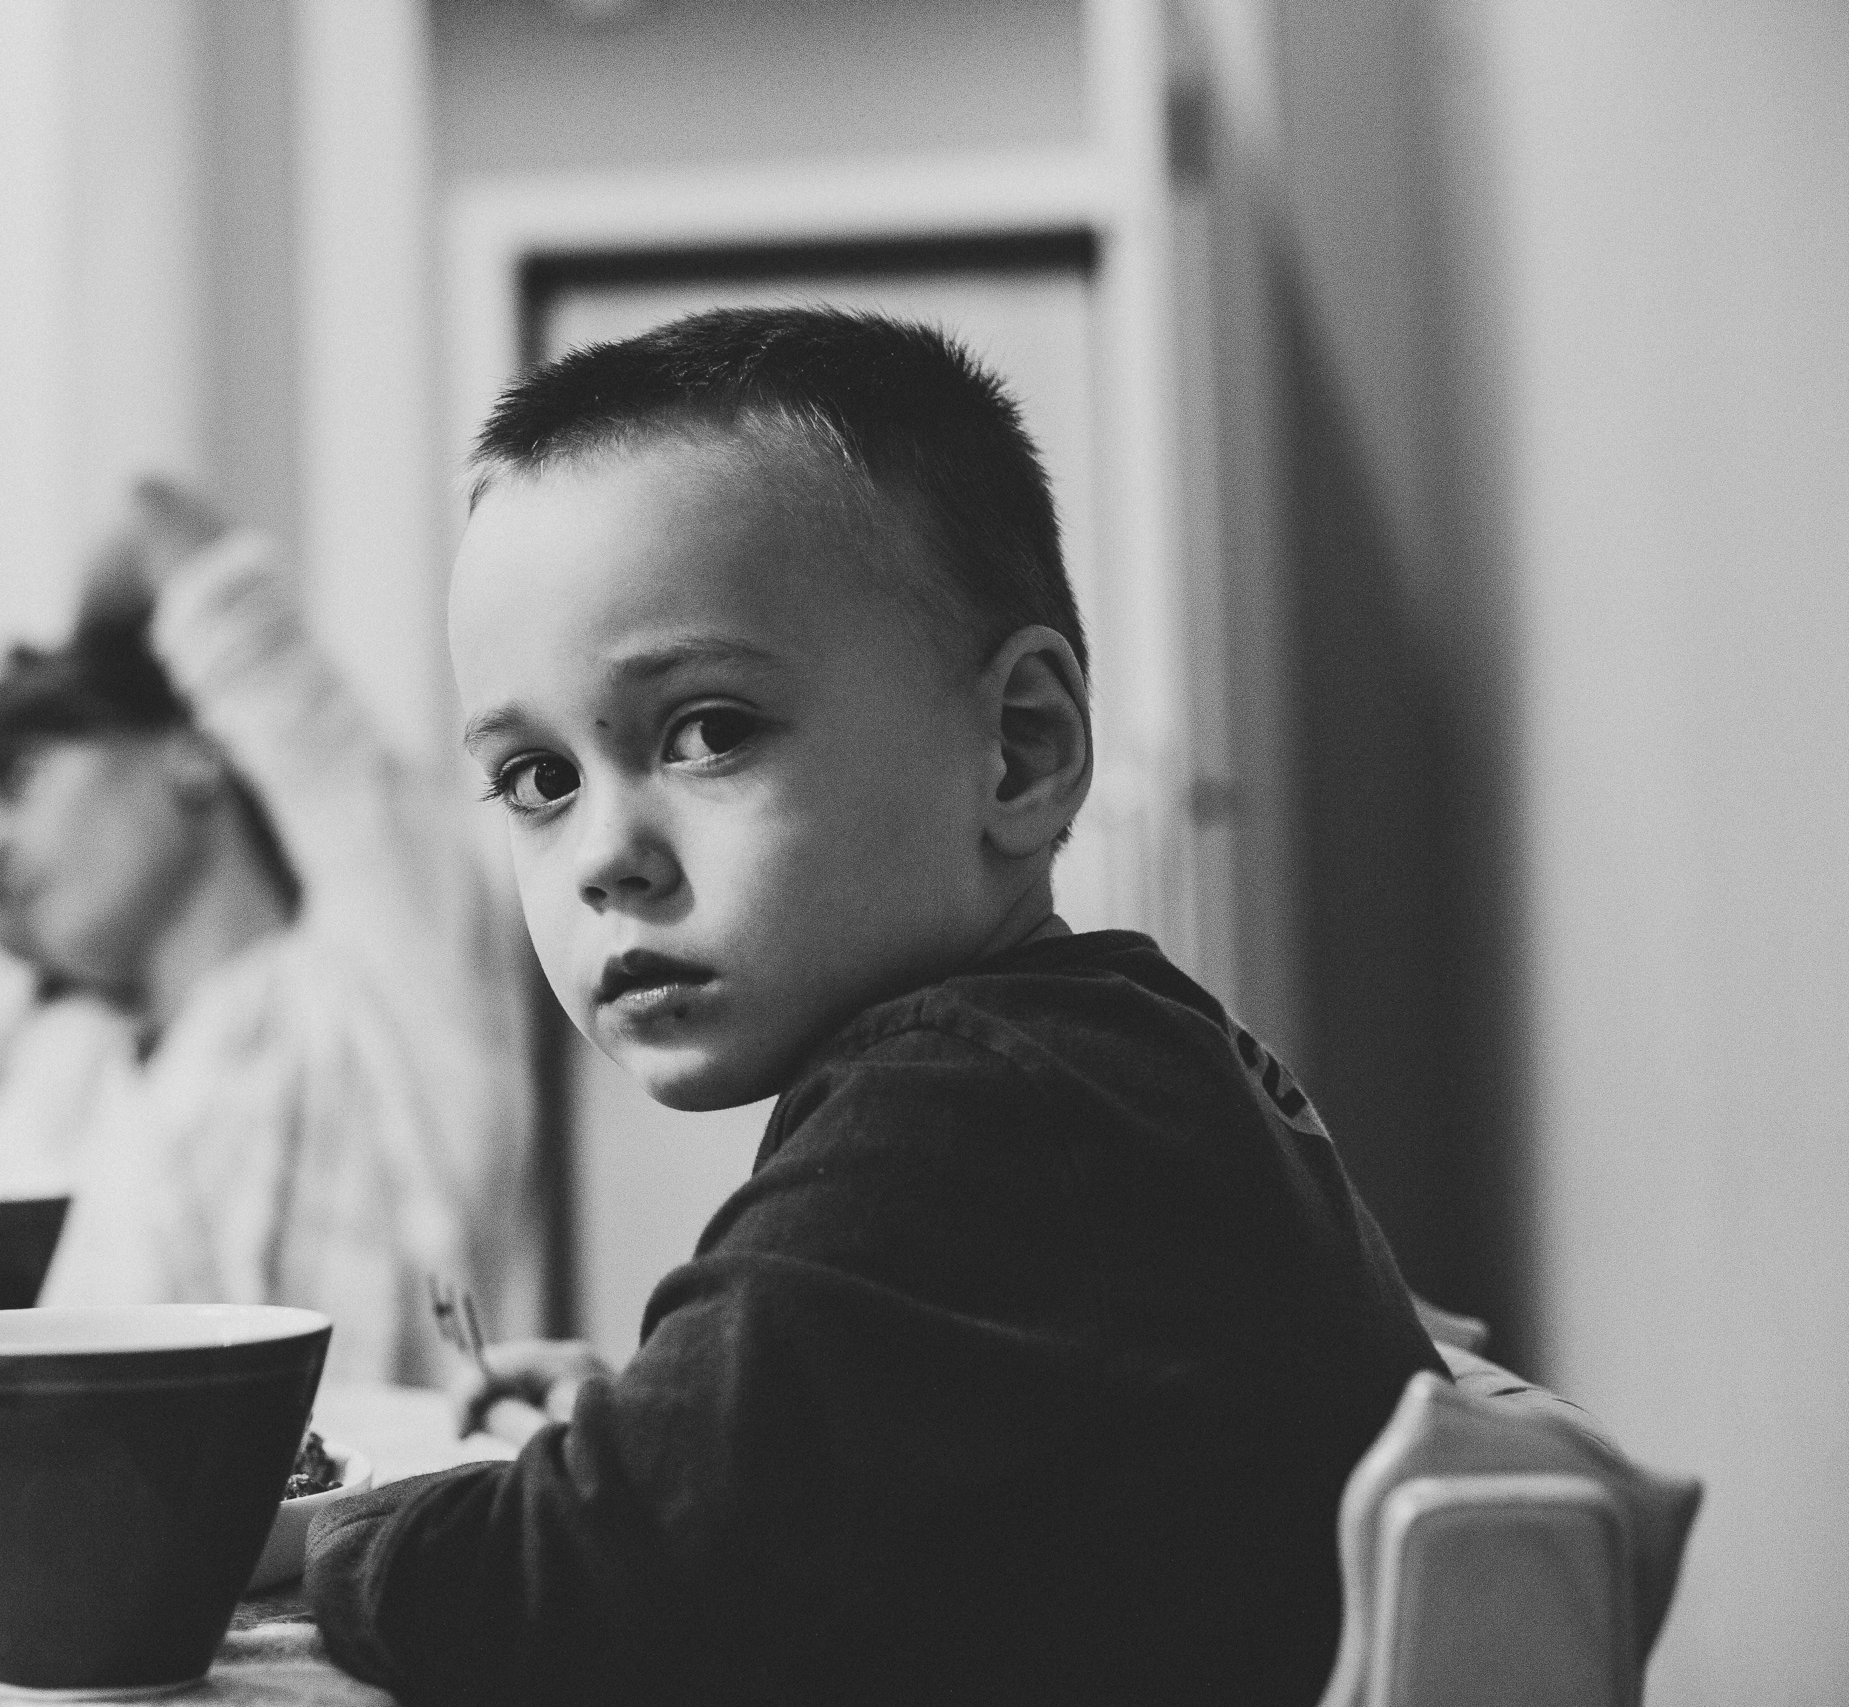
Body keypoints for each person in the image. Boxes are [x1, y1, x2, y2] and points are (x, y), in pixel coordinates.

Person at [304, 308, 1445, 1704]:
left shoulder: (969, 1103)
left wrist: (348, 1527)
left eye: (708, 730)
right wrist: (640, 1433)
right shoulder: (1101, 1059)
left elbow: (571, 1595)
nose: (604, 855)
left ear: (1019, 746)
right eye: (538, 779)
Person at [0, 481, 537, 1385]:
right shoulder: (55, 1071)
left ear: (191, 749)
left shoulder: (387, 961)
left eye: (17, 774)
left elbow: (157, 524)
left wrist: (86, 677)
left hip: (382, 1473)